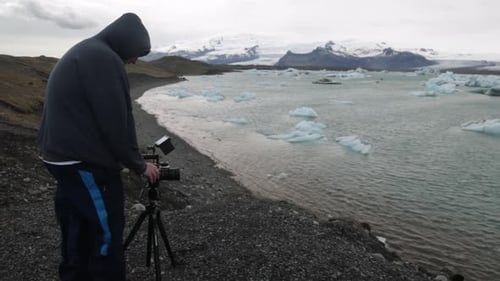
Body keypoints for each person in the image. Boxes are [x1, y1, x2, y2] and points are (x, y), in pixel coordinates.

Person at [38, 13, 160, 281]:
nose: (135, 60)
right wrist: (138, 163)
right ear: (127, 43)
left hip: (60, 158)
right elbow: (116, 121)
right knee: (105, 232)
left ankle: (73, 274)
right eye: (136, 53)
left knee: (76, 227)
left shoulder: (86, 50)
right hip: (84, 163)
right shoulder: (104, 59)